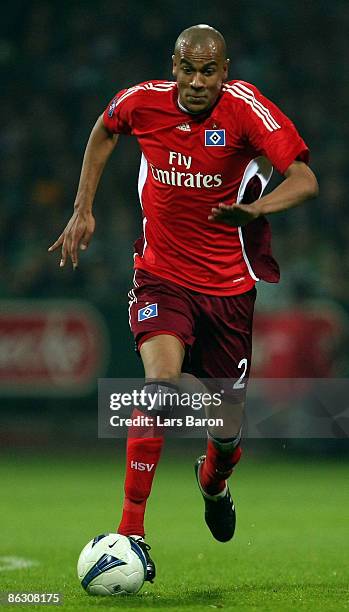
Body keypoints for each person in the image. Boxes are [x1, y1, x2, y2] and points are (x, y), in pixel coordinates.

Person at [48, 24, 318, 582]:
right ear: (174, 66)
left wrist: (258, 209)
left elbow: (305, 179)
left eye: (209, 71)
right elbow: (104, 129)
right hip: (160, 277)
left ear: (225, 70)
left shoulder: (247, 110)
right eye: (187, 69)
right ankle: (132, 533)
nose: (197, 81)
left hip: (229, 292)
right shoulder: (142, 102)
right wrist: (83, 208)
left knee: (225, 428)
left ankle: (214, 478)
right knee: (159, 387)